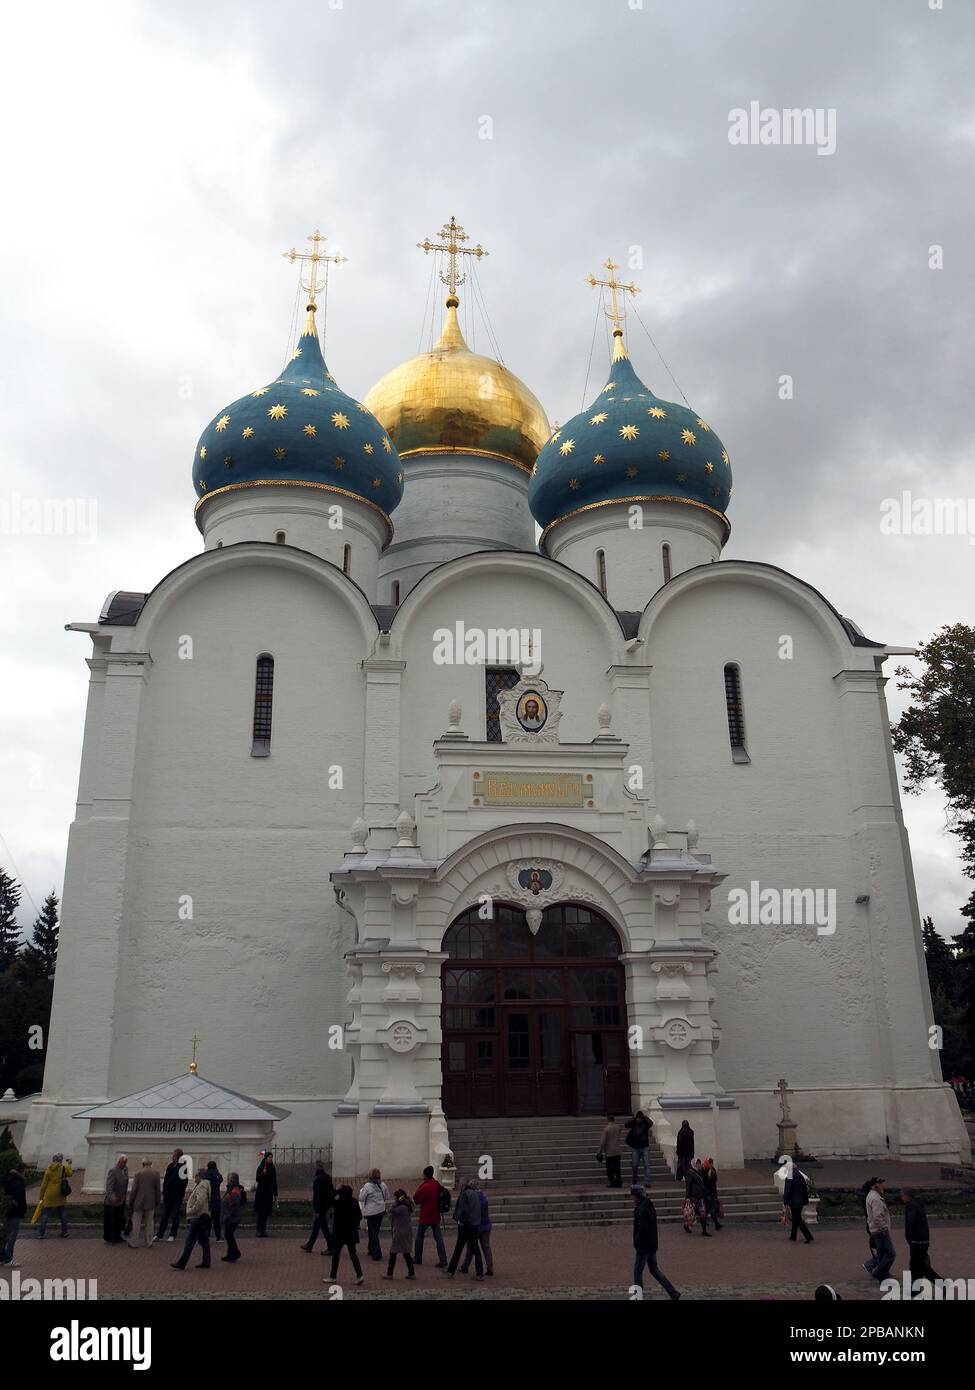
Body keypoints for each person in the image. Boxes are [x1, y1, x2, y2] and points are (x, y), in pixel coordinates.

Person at [631, 1186, 680, 1300]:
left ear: (636, 1196)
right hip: (652, 1245)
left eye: (632, 1195)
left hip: (644, 1246)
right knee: (654, 1270)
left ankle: (638, 1296)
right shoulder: (648, 1205)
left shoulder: (642, 1209)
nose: (631, 1197)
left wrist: (637, 1241)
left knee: (638, 1271)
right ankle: (673, 1292)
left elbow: (642, 1229)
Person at [171, 1171, 212, 1270]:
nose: (194, 1178)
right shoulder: (206, 1185)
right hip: (203, 1216)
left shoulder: (201, 1186)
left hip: (197, 1217)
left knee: (190, 1241)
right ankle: (206, 1261)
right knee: (204, 1240)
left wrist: (191, 1210)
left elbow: (200, 1201)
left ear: (199, 1176)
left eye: (195, 1176)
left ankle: (182, 1263)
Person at [326, 1185, 364, 1285]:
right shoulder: (354, 1202)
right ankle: (359, 1275)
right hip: (351, 1233)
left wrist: (335, 1191)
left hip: (339, 1233)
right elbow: (359, 1217)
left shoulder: (339, 1202)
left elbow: (329, 1200)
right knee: (353, 1254)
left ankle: (333, 1276)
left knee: (336, 1254)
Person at [900, 1187, 937, 1291]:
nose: (901, 1197)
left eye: (902, 1195)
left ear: (907, 1195)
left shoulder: (912, 1206)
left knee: (920, 1266)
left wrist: (909, 1237)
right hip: (921, 1240)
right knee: (915, 1265)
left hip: (917, 1241)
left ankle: (941, 1283)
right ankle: (915, 1289)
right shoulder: (917, 1205)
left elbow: (911, 1223)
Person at [446, 1178, 483, 1278]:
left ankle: (451, 1270)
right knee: (476, 1249)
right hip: (474, 1224)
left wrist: (459, 1220)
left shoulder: (464, 1194)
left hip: (466, 1225)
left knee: (459, 1248)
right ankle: (480, 1273)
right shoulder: (475, 1193)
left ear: (462, 1185)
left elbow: (462, 1210)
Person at [413, 1166, 448, 1267]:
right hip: (435, 1215)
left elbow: (416, 1199)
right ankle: (443, 1259)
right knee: (438, 1238)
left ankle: (418, 1257)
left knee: (419, 1236)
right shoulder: (436, 1185)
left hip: (425, 1215)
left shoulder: (425, 1186)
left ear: (425, 1174)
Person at [863, 1177, 894, 1281]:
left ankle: (880, 1271)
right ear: (876, 1185)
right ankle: (878, 1272)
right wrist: (884, 1229)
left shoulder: (872, 1196)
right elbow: (878, 1216)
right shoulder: (875, 1198)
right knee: (890, 1253)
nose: (883, 1186)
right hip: (880, 1231)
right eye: (881, 1184)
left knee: (881, 1254)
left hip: (876, 1230)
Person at [459, 1184, 494, 1277]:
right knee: (486, 1247)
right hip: (486, 1225)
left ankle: (465, 1266)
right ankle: (490, 1267)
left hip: (476, 1226)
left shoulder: (473, 1199)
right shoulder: (484, 1198)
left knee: (471, 1248)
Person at [155, 1149, 189, 1243]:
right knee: (164, 1215)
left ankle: (172, 1234)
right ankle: (159, 1234)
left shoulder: (183, 1167)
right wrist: (165, 1191)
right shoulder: (170, 1166)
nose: (172, 1157)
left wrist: (179, 1193)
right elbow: (166, 1179)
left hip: (176, 1196)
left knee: (175, 1215)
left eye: (174, 1155)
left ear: (179, 1157)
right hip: (168, 1195)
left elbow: (183, 1183)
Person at [126, 1157, 161, 1248]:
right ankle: (148, 1242)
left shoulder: (138, 1174)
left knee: (136, 1223)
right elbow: (158, 1190)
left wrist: (130, 1201)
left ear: (143, 1164)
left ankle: (134, 1242)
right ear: (151, 1164)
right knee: (149, 1223)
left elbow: (134, 1190)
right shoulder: (156, 1174)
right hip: (150, 1201)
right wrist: (158, 1200)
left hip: (138, 1201)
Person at [37, 1153, 73, 1239]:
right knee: (62, 1213)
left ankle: (41, 1234)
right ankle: (65, 1232)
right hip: (60, 1193)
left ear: (53, 1160)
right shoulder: (63, 1168)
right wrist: (70, 1164)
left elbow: (43, 1186)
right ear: (60, 1161)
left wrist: (41, 1197)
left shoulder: (48, 1170)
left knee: (45, 1214)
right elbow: (70, 1173)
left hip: (49, 1194)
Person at [301, 1163, 335, 1254]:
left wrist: (316, 1210)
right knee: (316, 1226)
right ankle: (310, 1244)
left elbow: (317, 1197)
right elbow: (331, 1192)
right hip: (326, 1206)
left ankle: (331, 1247)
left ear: (317, 1169)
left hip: (320, 1208)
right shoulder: (328, 1178)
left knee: (324, 1228)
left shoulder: (317, 1180)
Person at [359, 1168, 390, 1261]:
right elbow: (387, 1196)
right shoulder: (383, 1185)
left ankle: (376, 1252)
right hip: (380, 1210)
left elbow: (361, 1198)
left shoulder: (367, 1186)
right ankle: (371, 1248)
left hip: (371, 1212)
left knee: (372, 1232)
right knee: (375, 1231)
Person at [782, 1156, 814, 1245]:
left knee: (798, 1219)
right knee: (796, 1218)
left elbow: (787, 1190)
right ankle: (793, 1235)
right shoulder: (800, 1176)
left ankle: (808, 1236)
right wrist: (805, 1200)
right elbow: (804, 1189)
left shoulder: (789, 1177)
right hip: (800, 1201)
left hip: (793, 1201)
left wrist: (785, 1201)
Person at [384, 1190, 416, 1279]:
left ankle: (389, 1274)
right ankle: (411, 1273)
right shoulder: (408, 1206)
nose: (394, 1199)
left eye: (395, 1197)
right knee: (406, 1253)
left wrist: (395, 1203)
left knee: (393, 1253)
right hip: (406, 1232)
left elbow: (391, 1210)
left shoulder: (401, 1208)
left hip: (399, 1233)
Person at [1, 1162, 28, 1266]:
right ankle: (8, 1259)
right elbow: (20, 1198)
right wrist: (23, 1209)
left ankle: (1, 1257)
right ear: (22, 1170)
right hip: (15, 1211)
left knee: (5, 1234)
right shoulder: (19, 1182)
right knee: (12, 1235)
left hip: (7, 1210)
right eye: (26, 1169)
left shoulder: (9, 1179)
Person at [103, 1154, 129, 1244]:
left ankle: (117, 1235)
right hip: (112, 1201)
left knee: (119, 1218)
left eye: (125, 1162)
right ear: (119, 1162)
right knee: (110, 1220)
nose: (124, 1164)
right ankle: (109, 1237)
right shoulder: (113, 1171)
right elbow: (109, 1187)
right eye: (123, 1162)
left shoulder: (125, 1170)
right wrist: (112, 1197)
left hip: (121, 1199)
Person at [221, 1173, 246, 1263]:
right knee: (228, 1236)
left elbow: (234, 1206)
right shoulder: (231, 1189)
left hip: (232, 1218)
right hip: (230, 1217)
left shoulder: (235, 1192)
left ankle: (234, 1253)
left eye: (229, 1179)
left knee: (229, 1236)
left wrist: (227, 1216)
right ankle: (230, 1252)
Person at [625, 1110, 653, 1185]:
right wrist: (633, 1118)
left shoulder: (645, 1123)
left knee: (647, 1165)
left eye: (640, 1118)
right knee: (634, 1165)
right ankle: (634, 1179)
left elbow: (651, 1123)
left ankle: (647, 1182)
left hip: (644, 1146)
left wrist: (645, 1117)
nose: (639, 1120)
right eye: (638, 1118)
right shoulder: (634, 1123)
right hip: (635, 1147)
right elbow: (626, 1124)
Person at [684, 1158, 710, 1236]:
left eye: (699, 1163)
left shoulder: (700, 1172)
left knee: (703, 1213)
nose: (699, 1165)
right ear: (694, 1164)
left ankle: (704, 1231)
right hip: (693, 1196)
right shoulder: (690, 1173)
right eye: (697, 1163)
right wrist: (688, 1197)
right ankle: (686, 1225)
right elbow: (688, 1185)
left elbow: (705, 1180)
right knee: (692, 1213)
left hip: (701, 1196)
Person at [254, 1153, 277, 1237]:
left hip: (268, 1193)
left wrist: (275, 1194)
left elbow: (274, 1181)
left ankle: (264, 1230)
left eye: (272, 1157)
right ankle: (258, 1229)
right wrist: (263, 1174)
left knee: (266, 1212)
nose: (271, 1159)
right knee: (260, 1212)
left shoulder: (272, 1168)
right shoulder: (261, 1167)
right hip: (261, 1193)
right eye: (269, 1157)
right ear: (266, 1158)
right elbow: (258, 1179)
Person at [598, 1114, 623, 1189]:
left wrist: (600, 1151)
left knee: (609, 1169)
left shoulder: (606, 1129)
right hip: (617, 1150)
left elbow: (603, 1142)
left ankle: (613, 1182)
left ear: (608, 1120)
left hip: (609, 1152)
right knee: (617, 1168)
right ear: (614, 1119)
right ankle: (618, 1181)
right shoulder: (618, 1127)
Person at [701, 1155, 723, 1231]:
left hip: (712, 1192)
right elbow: (706, 1182)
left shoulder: (712, 1170)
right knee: (712, 1209)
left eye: (712, 1163)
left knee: (707, 1209)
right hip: (707, 1193)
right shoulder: (703, 1171)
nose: (711, 1164)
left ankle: (705, 1221)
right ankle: (716, 1224)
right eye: (710, 1163)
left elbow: (714, 1182)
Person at [204, 1161, 223, 1242]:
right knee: (216, 1220)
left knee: (207, 1220)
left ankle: (206, 1236)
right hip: (216, 1199)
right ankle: (218, 1236)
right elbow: (221, 1179)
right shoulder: (217, 1175)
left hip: (207, 1200)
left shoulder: (206, 1175)